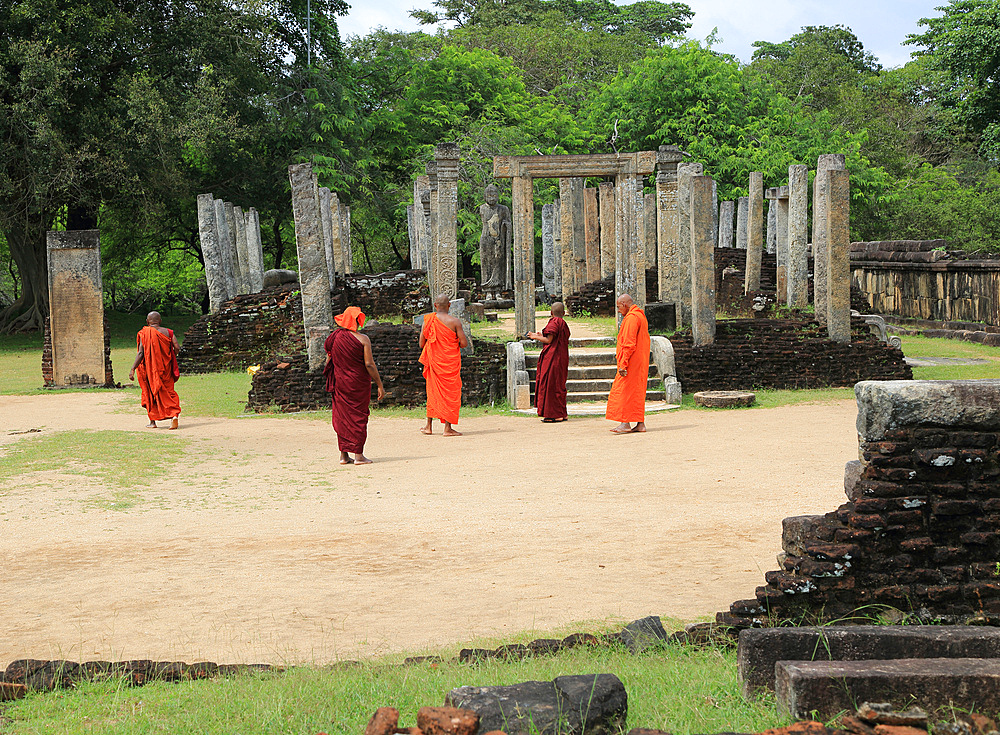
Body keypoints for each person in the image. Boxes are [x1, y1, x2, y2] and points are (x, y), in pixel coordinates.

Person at [323, 306, 386, 465]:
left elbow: (327, 361)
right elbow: (369, 364)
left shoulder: (334, 338)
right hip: (357, 384)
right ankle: (358, 455)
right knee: (358, 416)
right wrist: (379, 384)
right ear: (358, 320)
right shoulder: (363, 339)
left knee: (342, 417)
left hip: (340, 383)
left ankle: (344, 456)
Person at [419, 294, 468, 436]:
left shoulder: (428, 320)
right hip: (450, 364)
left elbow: (422, 343)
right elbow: (464, 343)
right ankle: (447, 428)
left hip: (434, 362)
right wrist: (451, 344)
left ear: (435, 305)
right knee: (451, 393)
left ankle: (428, 426)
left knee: (432, 393)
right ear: (449, 305)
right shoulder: (455, 322)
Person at [128, 311, 181, 429]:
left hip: (150, 371)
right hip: (165, 369)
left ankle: (152, 422)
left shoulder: (144, 333)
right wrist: (170, 357)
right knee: (169, 393)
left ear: (147, 322)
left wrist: (133, 368)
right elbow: (177, 347)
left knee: (150, 393)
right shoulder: (168, 332)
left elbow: (141, 353)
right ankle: (174, 416)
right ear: (160, 321)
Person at [606, 293, 650, 434]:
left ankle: (625, 423)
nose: (618, 310)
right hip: (640, 361)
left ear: (624, 304)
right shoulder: (640, 315)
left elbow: (629, 344)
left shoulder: (632, 318)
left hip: (632, 361)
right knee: (637, 391)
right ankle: (640, 423)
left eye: (619, 307)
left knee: (626, 391)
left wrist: (623, 364)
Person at [527, 301, 570, 422]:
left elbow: (549, 340)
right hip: (561, 357)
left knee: (551, 384)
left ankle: (554, 414)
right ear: (564, 313)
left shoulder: (555, 322)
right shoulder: (563, 323)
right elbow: (554, 336)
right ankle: (562, 413)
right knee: (559, 385)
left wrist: (534, 336)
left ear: (551, 313)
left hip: (553, 358)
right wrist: (541, 335)